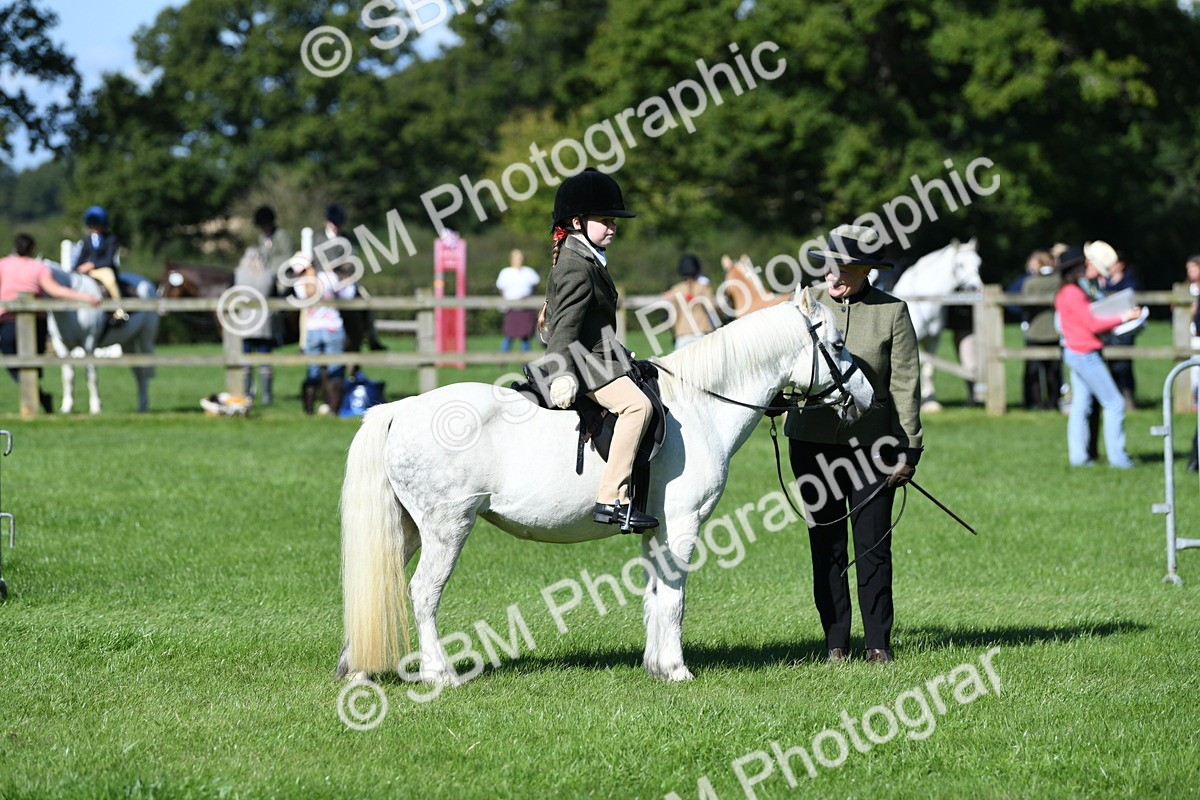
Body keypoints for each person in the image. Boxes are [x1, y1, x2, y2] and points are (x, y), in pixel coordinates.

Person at [786, 225, 923, 665]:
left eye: (845, 268)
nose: (834, 276)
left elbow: (905, 382)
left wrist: (910, 448)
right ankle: (835, 643)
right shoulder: (804, 303)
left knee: (872, 546)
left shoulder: (892, 312)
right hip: (811, 441)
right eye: (830, 266)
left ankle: (878, 643)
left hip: (873, 447)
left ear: (867, 271)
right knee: (825, 545)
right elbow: (782, 362)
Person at [540, 167, 658, 531]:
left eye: (614, 220)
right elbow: (564, 331)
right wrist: (559, 376)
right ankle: (611, 498)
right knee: (639, 406)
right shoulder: (577, 265)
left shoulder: (583, 257)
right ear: (577, 221)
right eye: (604, 220)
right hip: (585, 364)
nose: (612, 227)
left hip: (603, 357)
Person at [1054, 245, 1142, 468]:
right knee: (1114, 404)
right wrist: (1125, 317)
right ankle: (1119, 459)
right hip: (1085, 353)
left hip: (1076, 351)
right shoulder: (1074, 293)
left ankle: (1079, 458)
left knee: (1081, 406)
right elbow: (1092, 323)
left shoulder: (1068, 291)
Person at [0, 233, 100, 411]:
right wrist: (83, 296)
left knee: (15, 361)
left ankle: (35, 400)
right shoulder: (37, 266)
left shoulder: (4, 264)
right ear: (32, 249)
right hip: (33, 321)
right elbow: (56, 290)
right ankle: (39, 396)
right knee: (30, 364)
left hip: (9, 319)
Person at [233, 209, 290, 405]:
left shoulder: (282, 236)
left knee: (285, 289)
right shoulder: (261, 237)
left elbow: (285, 258)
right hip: (263, 276)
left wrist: (270, 270)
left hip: (279, 273)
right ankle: (261, 394)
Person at [293, 251, 356, 415]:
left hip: (313, 330)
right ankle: (334, 410)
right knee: (335, 370)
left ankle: (309, 411)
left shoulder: (299, 284)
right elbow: (348, 294)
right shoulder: (330, 278)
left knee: (313, 370)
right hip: (333, 328)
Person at [1093, 241, 1140, 410]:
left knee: (1124, 364)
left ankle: (1128, 397)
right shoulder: (1101, 282)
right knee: (1111, 363)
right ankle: (1114, 397)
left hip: (1125, 327)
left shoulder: (1129, 280)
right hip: (1109, 327)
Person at [1019, 249, 1061, 410]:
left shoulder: (1030, 282)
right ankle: (1053, 402)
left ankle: (1033, 403)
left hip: (1035, 331)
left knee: (1033, 370)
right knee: (1053, 371)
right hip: (1055, 331)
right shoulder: (1059, 280)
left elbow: (1023, 305)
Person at [72, 206, 128, 323]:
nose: (95, 228)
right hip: (88, 270)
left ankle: (119, 309)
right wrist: (74, 270)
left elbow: (108, 260)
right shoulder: (87, 240)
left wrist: (92, 265)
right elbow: (81, 257)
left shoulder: (110, 238)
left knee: (111, 281)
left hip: (104, 269)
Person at [662, 254, 717, 350]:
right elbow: (711, 308)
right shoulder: (704, 287)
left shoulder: (676, 289)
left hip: (682, 334)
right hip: (701, 331)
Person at [495, 248, 540, 352]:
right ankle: (502, 360)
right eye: (516, 257)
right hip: (511, 308)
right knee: (509, 336)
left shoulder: (529, 272)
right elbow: (501, 289)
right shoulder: (505, 272)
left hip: (526, 308)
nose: (519, 259)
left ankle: (525, 361)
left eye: (520, 257)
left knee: (525, 337)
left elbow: (534, 288)